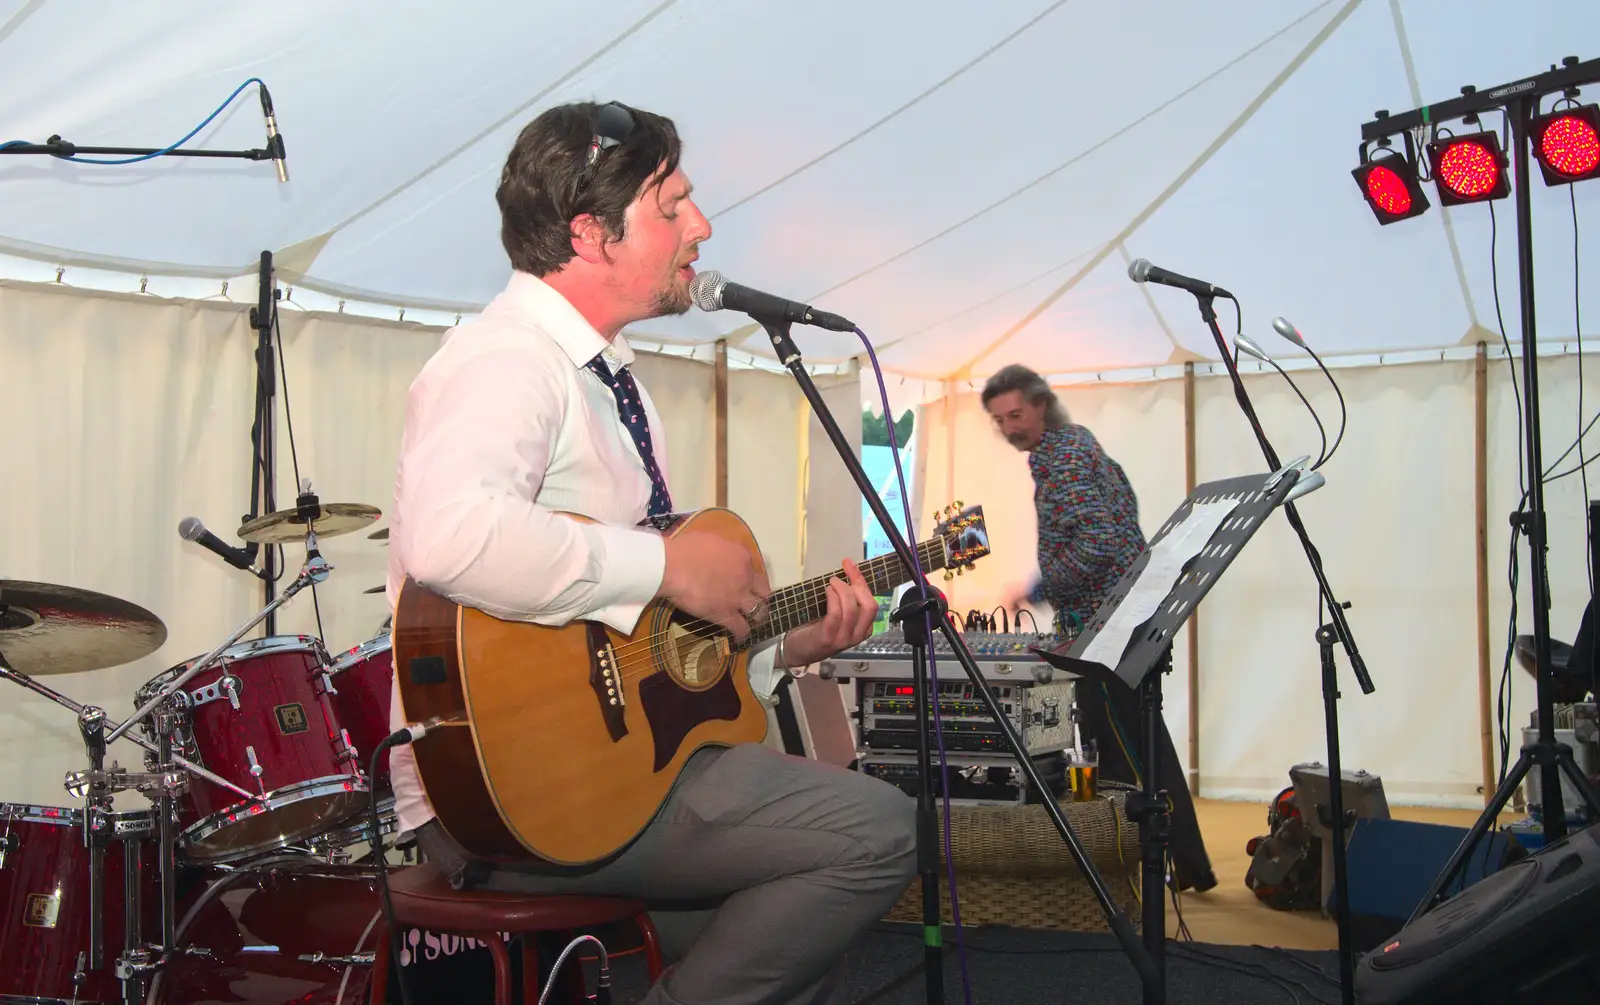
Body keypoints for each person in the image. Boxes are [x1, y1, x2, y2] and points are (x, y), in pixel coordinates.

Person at [385, 101, 915, 1005]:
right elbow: (452, 534)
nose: (700, 228)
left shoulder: (611, 380)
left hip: (618, 779)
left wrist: (785, 646)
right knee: (880, 831)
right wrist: (669, 568)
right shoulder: (505, 360)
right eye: (672, 206)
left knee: (797, 958)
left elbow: (658, 662)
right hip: (509, 797)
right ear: (592, 233)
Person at [981, 363, 1216, 892]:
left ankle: (1144, 867)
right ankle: (1186, 865)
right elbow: (1118, 525)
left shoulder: (1062, 458)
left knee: (1121, 753)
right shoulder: (1080, 447)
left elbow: (1099, 545)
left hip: (1108, 628)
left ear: (1042, 404)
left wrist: (1040, 588)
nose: (1009, 427)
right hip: (1129, 619)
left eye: (1016, 414)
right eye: (999, 420)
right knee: (1139, 742)